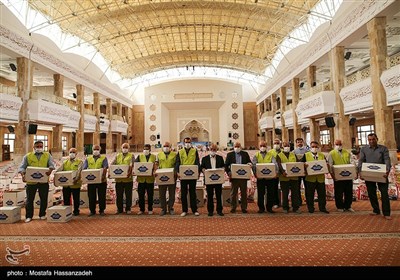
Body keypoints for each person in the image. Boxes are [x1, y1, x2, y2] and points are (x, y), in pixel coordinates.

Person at [18, 140, 55, 223]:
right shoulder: (28, 156)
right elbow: (22, 167)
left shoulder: (47, 155)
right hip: (31, 182)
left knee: (44, 198)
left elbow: (51, 165)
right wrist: (23, 175)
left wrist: (50, 170)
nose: (39, 148)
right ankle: (28, 216)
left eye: (41, 146)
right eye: (37, 146)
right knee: (29, 199)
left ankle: (42, 214)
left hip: (43, 181)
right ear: (33, 147)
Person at [358, 133, 392, 220]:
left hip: (382, 174)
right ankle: (376, 210)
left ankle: (386, 213)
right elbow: (361, 161)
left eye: (373, 139)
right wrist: (360, 172)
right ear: (368, 140)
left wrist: (387, 170)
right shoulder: (364, 149)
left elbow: (387, 160)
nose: (371, 141)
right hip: (369, 175)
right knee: (371, 193)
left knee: (384, 194)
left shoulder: (383, 148)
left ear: (377, 139)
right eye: (369, 140)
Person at [327, 139, 355, 213]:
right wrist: (332, 175)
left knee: (349, 192)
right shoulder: (331, 153)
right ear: (334, 144)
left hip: (348, 175)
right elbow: (330, 165)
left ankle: (348, 206)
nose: (338, 146)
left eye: (340, 144)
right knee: (339, 192)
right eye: (337, 144)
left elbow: (352, 162)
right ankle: (339, 206)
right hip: (338, 176)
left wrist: (353, 172)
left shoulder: (347, 152)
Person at [176, 137, 201, 217]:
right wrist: (178, 172)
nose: (187, 143)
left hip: (192, 175)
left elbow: (197, 162)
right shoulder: (180, 152)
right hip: (183, 176)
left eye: (189, 142)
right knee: (183, 193)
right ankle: (184, 210)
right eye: (186, 142)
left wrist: (198, 172)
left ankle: (194, 210)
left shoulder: (194, 151)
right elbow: (177, 163)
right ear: (183, 143)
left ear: (191, 143)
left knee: (192, 193)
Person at [302, 141, 329, 214]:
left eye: (316, 147)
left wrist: (326, 166)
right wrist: (304, 166)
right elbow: (301, 165)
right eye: (313, 147)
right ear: (310, 148)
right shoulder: (306, 155)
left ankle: (322, 208)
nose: (314, 148)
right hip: (310, 178)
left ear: (318, 147)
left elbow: (326, 164)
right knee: (310, 194)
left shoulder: (322, 155)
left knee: (322, 194)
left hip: (320, 178)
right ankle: (311, 208)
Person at [225, 141, 252, 213]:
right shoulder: (230, 155)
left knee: (244, 193)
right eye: (236, 146)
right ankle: (233, 207)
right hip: (234, 177)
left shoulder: (245, 154)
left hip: (243, 177)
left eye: (238, 146)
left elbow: (249, 162)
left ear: (241, 147)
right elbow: (226, 165)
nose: (237, 148)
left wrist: (249, 164)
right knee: (233, 193)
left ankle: (244, 208)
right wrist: (229, 172)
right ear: (233, 147)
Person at [251, 140, 277, 213]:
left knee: (270, 193)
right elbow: (253, 165)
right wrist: (255, 174)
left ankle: (269, 208)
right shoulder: (256, 155)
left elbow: (275, 164)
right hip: (260, 177)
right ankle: (261, 208)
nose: (263, 147)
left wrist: (276, 173)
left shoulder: (271, 155)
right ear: (259, 147)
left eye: (264, 146)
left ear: (266, 146)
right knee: (261, 193)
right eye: (261, 146)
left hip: (270, 177)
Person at [83, 144, 109, 216]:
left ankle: (102, 210)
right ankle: (92, 211)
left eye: (97, 149)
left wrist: (103, 176)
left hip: (101, 180)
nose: (96, 151)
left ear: (100, 150)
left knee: (102, 196)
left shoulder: (104, 158)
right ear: (92, 150)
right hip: (91, 180)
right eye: (94, 149)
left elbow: (105, 167)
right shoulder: (88, 159)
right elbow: (84, 168)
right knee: (91, 196)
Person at [55, 147, 83, 216]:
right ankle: (67, 212)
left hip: (75, 184)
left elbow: (79, 172)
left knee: (76, 199)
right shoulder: (65, 162)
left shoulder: (79, 162)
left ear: (76, 154)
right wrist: (55, 175)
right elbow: (59, 170)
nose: (72, 154)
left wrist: (76, 179)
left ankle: (76, 211)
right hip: (66, 184)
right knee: (66, 198)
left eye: (73, 152)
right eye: (71, 152)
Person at [276, 141, 301, 214]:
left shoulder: (293, 154)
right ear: (282, 147)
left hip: (294, 177)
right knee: (285, 193)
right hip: (284, 177)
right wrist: (282, 172)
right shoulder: (279, 155)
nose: (287, 147)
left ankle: (295, 207)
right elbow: (279, 165)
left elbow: (298, 162)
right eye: (285, 145)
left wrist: (302, 165)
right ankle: (285, 207)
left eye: (288, 145)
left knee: (295, 193)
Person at [201, 143, 225, 216]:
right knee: (210, 195)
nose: (213, 151)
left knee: (218, 195)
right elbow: (202, 167)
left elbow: (223, 166)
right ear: (209, 149)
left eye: (214, 149)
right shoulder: (204, 159)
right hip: (209, 180)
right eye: (211, 149)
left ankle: (219, 210)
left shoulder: (220, 158)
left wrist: (223, 169)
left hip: (218, 180)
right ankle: (210, 211)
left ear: (216, 150)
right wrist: (203, 170)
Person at [111, 143, 134, 215]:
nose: (125, 149)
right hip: (119, 179)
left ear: (128, 148)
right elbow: (112, 164)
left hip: (128, 179)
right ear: (121, 148)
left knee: (128, 195)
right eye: (124, 147)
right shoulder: (118, 156)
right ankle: (119, 209)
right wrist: (111, 171)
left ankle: (128, 209)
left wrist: (129, 173)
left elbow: (131, 165)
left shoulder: (131, 156)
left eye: (126, 147)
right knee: (119, 194)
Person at [155, 141, 177, 216]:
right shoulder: (159, 155)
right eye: (164, 146)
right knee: (162, 193)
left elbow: (176, 164)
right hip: (162, 177)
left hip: (171, 176)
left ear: (170, 147)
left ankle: (171, 208)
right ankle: (163, 209)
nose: (166, 147)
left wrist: (175, 172)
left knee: (172, 193)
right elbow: (156, 164)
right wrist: (155, 171)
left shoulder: (174, 155)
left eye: (167, 146)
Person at [135, 144, 156, 215]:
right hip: (141, 179)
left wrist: (154, 171)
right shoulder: (139, 156)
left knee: (150, 195)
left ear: (150, 150)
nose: (145, 150)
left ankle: (150, 209)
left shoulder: (153, 156)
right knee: (141, 195)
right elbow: (136, 165)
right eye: (144, 149)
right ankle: (142, 209)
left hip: (150, 179)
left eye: (147, 149)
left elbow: (155, 166)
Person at [293, 137, 308, 206]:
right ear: (296, 143)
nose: (299, 143)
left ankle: (308, 200)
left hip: (305, 171)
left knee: (307, 186)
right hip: (298, 172)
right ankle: (299, 201)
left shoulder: (307, 151)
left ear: (303, 142)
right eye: (298, 142)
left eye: (301, 142)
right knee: (297, 186)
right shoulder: (293, 152)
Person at [268, 138, 282, 208]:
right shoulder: (270, 152)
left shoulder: (283, 152)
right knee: (274, 188)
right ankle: (275, 202)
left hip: (283, 173)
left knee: (284, 188)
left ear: (280, 144)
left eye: (277, 143)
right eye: (275, 143)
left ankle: (285, 202)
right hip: (274, 173)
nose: (276, 145)